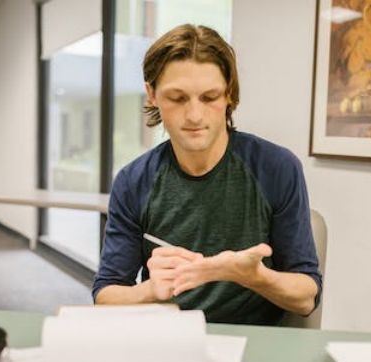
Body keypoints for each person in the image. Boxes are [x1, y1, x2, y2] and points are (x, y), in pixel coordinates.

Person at [92, 24, 322, 325]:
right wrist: (149, 290)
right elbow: (105, 296)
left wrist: (254, 277)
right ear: (152, 95)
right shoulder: (133, 181)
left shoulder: (277, 168)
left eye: (210, 97)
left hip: (253, 340)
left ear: (229, 94)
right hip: (169, 336)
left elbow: (306, 297)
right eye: (177, 98)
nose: (194, 116)